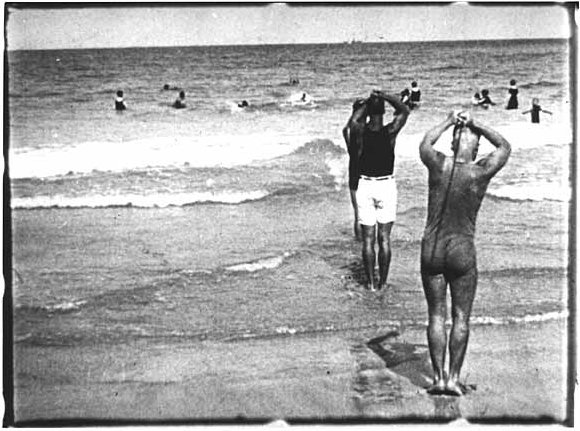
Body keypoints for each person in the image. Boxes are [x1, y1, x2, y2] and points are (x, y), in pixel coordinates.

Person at [419, 111, 511, 396]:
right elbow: (505, 147)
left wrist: (449, 121)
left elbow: (424, 142)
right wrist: (476, 124)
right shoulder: (480, 171)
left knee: (436, 316)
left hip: (432, 249)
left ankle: (437, 379)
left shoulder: (438, 164)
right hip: (461, 249)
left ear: (452, 144)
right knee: (461, 318)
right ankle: (454, 379)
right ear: (476, 148)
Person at [347, 91, 410, 291]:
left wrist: (367, 102)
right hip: (386, 185)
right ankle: (383, 282)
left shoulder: (360, 131)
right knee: (384, 238)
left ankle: (371, 284)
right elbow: (404, 110)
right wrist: (384, 96)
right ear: (383, 112)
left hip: (365, 184)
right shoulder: (390, 132)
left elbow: (354, 119)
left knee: (367, 239)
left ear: (368, 112)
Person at [342, 98, 366, 239]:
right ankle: (362, 241)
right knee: (366, 213)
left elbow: (344, 129)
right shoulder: (364, 129)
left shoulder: (350, 130)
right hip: (363, 171)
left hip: (353, 169)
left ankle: (358, 241)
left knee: (357, 212)